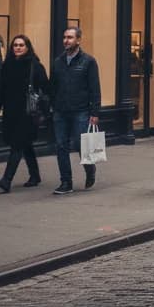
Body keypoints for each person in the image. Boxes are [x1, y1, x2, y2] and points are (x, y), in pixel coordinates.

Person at [0, 34, 49, 192]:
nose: (18, 48)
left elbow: (47, 89)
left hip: (28, 114)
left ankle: (6, 180)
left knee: (17, 145)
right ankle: (35, 175)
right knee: (25, 144)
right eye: (15, 45)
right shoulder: (7, 66)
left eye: (21, 45)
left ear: (27, 47)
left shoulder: (35, 66)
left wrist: (46, 111)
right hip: (11, 113)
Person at [49, 26, 101, 195]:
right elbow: (53, 86)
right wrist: (52, 105)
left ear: (78, 40)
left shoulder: (88, 61)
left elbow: (95, 88)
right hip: (61, 111)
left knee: (80, 145)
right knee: (61, 146)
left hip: (81, 111)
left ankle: (89, 168)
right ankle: (66, 182)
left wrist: (95, 113)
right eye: (65, 37)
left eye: (70, 37)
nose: (66, 40)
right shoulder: (58, 62)